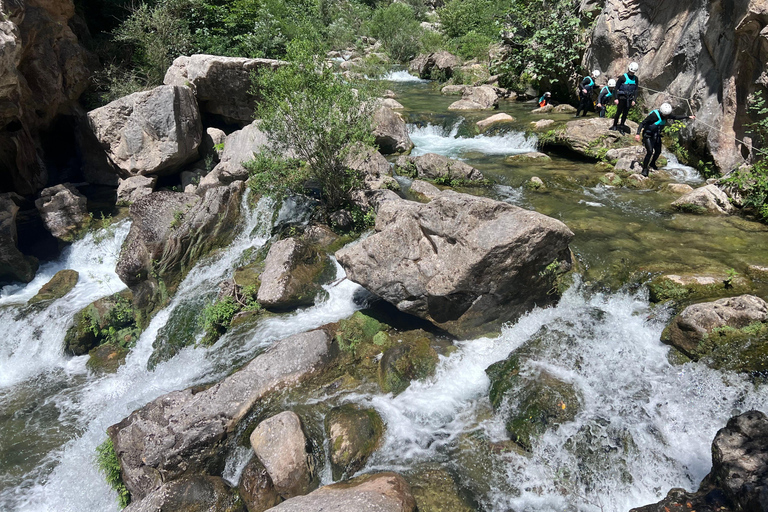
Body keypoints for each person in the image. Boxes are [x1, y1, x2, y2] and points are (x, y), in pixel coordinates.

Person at [634, 102, 695, 176]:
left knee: (658, 151)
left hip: (656, 135)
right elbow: (642, 123)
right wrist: (638, 134)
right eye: (665, 115)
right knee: (650, 151)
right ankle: (645, 168)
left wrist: (688, 117)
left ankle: (652, 163)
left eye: (667, 115)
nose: (667, 116)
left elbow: (675, 117)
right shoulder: (654, 116)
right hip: (648, 135)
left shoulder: (666, 115)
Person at [611, 62, 639, 132]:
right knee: (619, 112)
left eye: (633, 72)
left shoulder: (636, 79)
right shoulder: (623, 77)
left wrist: (634, 100)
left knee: (625, 113)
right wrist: (616, 98)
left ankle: (621, 127)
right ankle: (614, 125)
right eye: (631, 72)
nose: (632, 73)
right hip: (621, 98)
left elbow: (636, 90)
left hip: (629, 99)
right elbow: (616, 88)